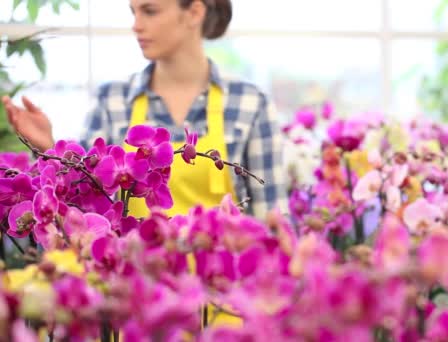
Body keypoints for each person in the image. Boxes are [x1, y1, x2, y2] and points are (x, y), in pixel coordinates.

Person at [2, 0, 288, 221]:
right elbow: (83, 199)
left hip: (222, 292)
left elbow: (273, 222)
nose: (136, 25)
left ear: (194, 12)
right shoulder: (112, 100)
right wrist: (50, 147)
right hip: (133, 291)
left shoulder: (249, 104)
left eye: (149, 11)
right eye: (133, 12)